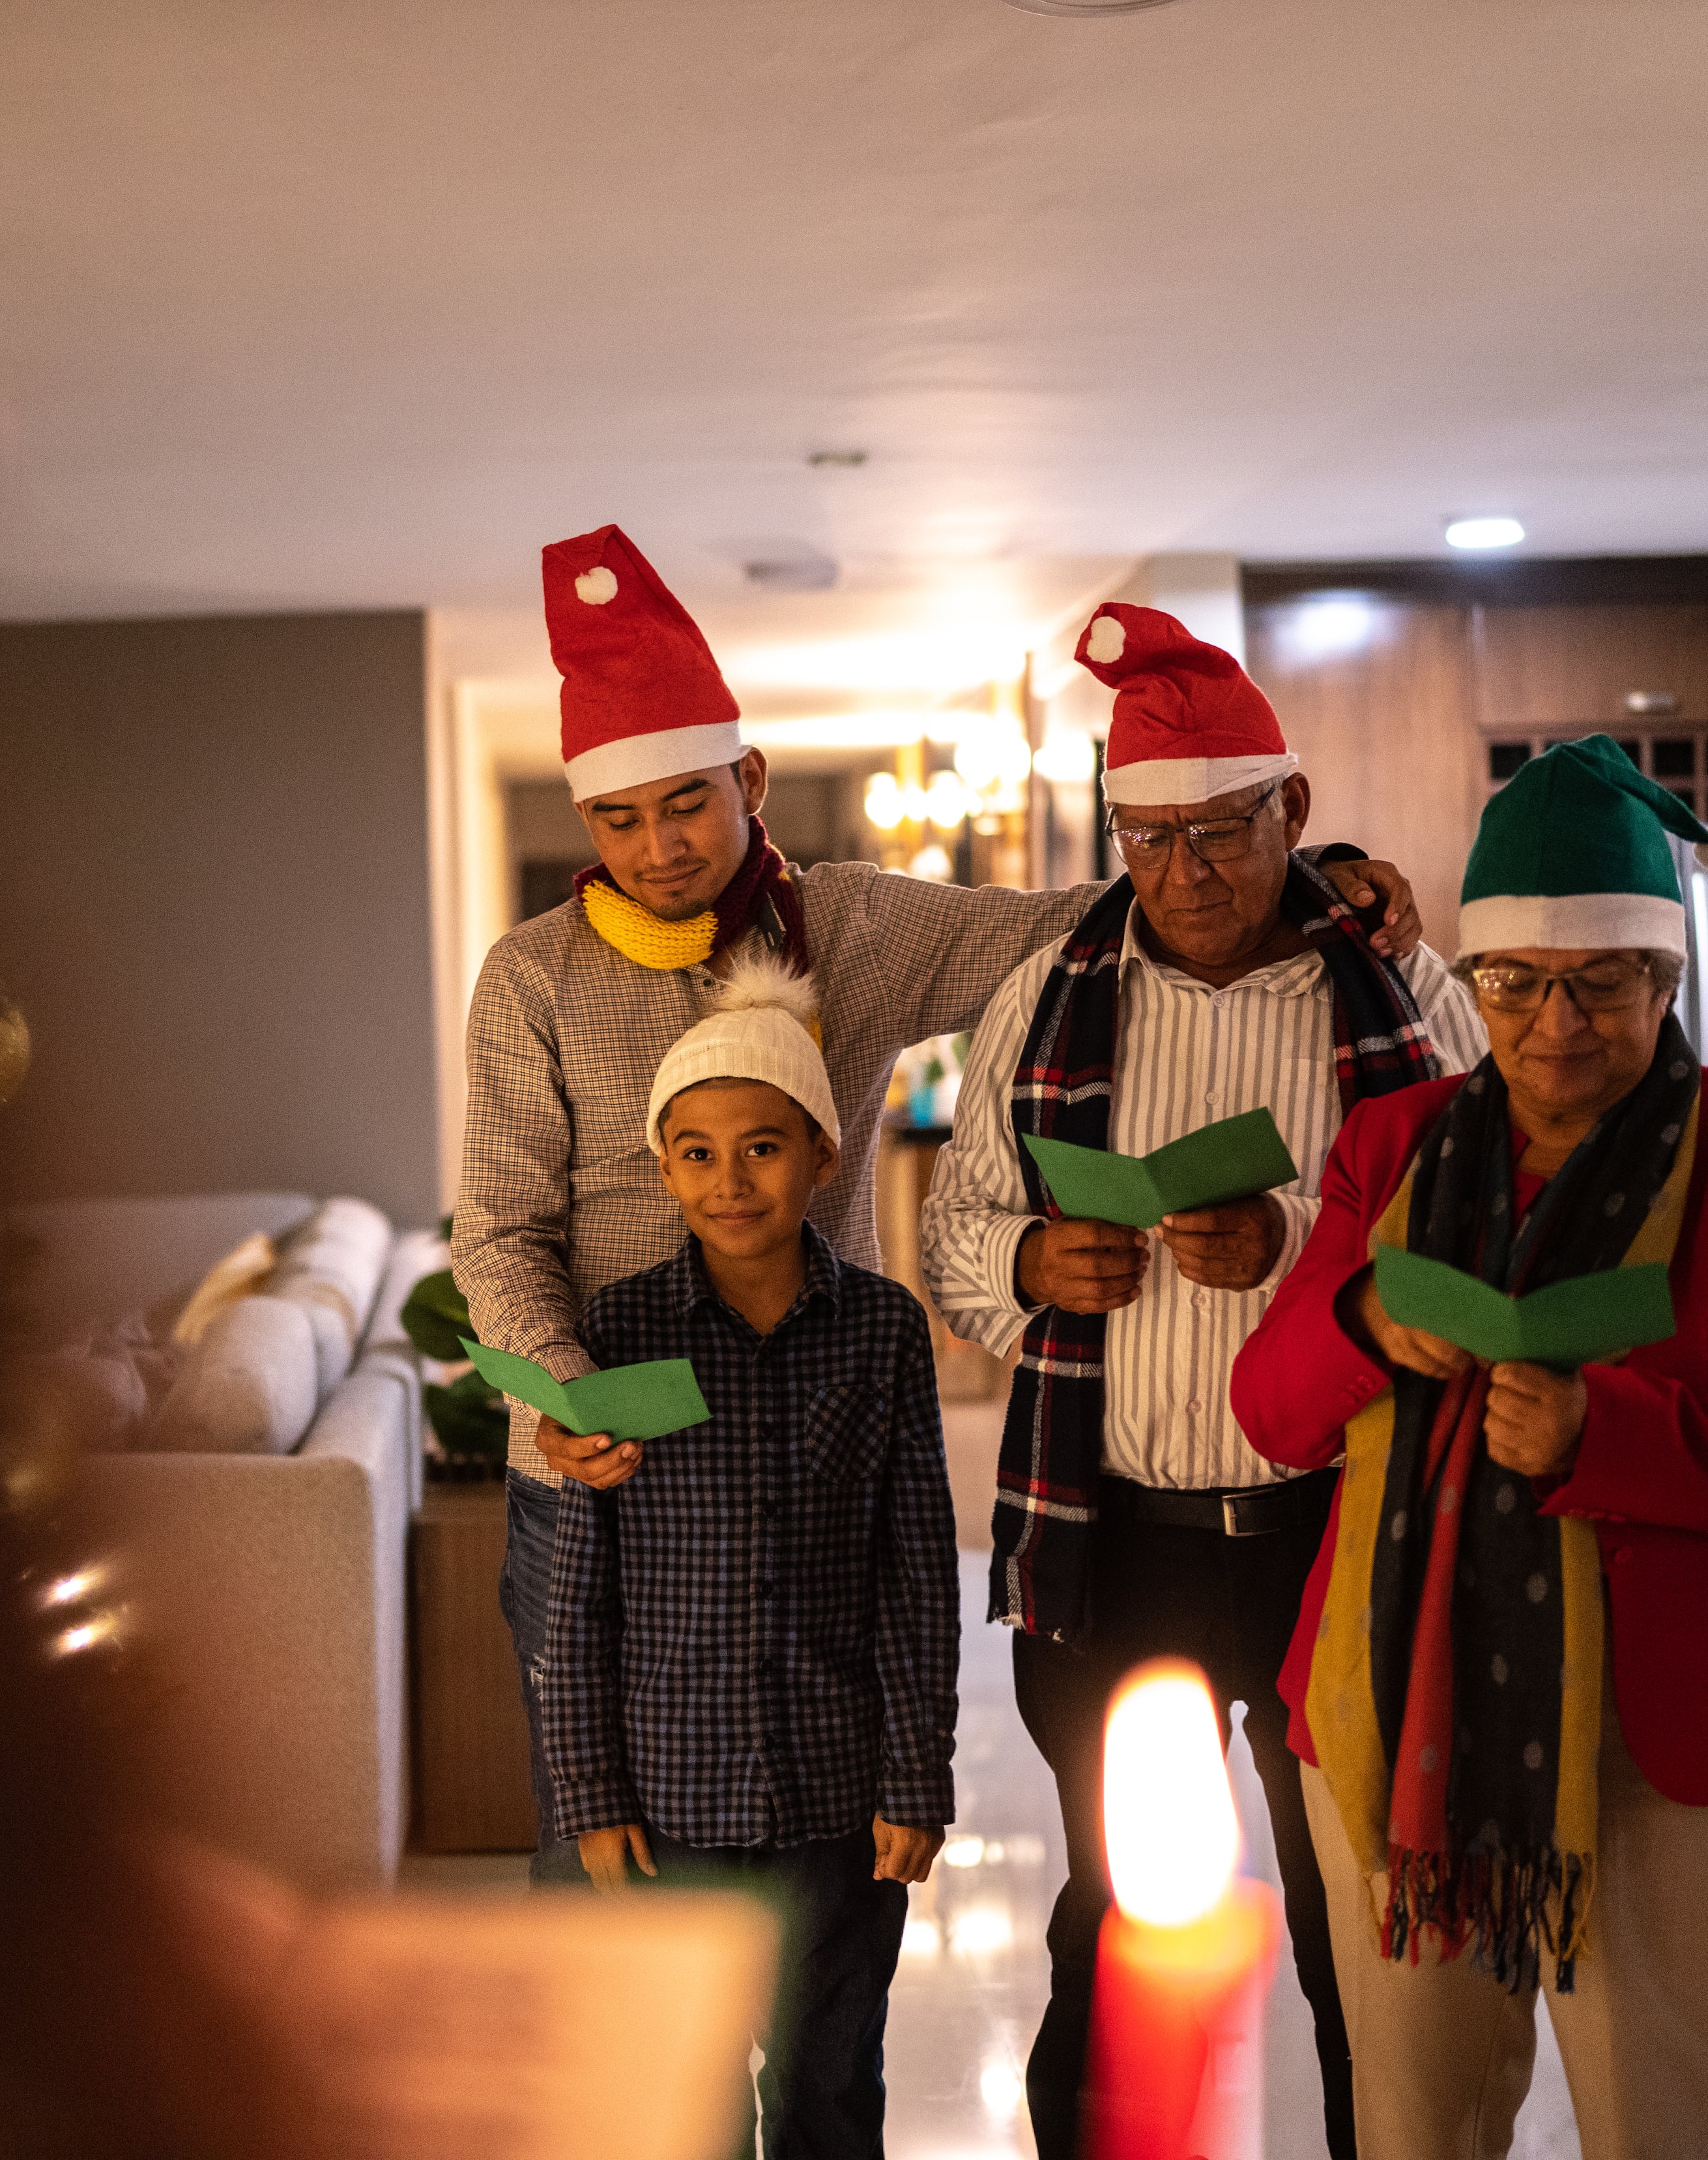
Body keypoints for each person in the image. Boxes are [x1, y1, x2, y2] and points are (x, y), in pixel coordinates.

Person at [454, 525, 1428, 1886]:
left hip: (812, 1437)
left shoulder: (854, 926)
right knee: (602, 1851)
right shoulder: (532, 976)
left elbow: (1089, 918)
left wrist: (1309, 871)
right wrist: (560, 1385)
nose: (656, 848)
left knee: (831, 1813)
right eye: (617, 819)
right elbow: (499, 1227)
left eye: (684, 805)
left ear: (747, 779)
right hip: (603, 1461)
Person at [1230, 737, 1708, 2159]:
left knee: (1676, 2129)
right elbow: (1271, 1412)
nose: (1553, 1025)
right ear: (1473, 980)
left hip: (1676, 1738)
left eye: (1601, 983)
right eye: (1515, 983)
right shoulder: (1391, 1147)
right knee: (1418, 2124)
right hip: (1402, 1713)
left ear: (1667, 981)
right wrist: (1363, 1322)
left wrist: (1607, 1430)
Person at [919, 603, 1483, 2160]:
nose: (1181, 875)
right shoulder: (1048, 995)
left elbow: (1472, 1238)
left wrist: (1296, 1236)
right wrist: (1035, 1262)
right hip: (1116, 1540)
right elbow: (953, 1238)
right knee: (1113, 1915)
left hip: (1336, 1534)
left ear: (1291, 810)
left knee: (1357, 1930)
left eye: (1219, 833)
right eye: (1147, 840)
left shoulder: (1403, 993)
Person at [536, 954, 957, 2159]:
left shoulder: (883, 1331)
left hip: (839, 1797)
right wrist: (590, 1794)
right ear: (665, 1168)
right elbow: (581, 1594)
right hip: (673, 1799)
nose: (731, 1182)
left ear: (822, 1154)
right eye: (698, 1153)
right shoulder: (618, 1331)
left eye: (762, 1148)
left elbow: (918, 1572)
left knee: (830, 2084)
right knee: (689, 2099)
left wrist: (916, 1775)